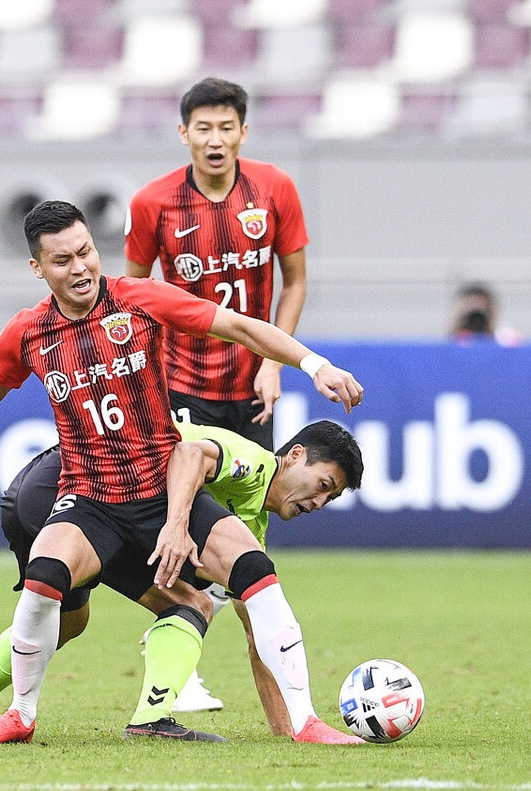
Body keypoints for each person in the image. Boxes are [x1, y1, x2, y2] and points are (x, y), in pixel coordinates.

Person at [0, 200, 364, 747]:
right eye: (63, 260)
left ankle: (307, 723)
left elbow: (238, 326)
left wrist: (316, 365)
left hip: (158, 487)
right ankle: (19, 717)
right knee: (43, 580)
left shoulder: (139, 300)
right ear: (38, 268)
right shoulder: (27, 333)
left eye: (86, 252)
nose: (80, 269)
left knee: (258, 574)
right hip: (88, 498)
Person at [0, 419, 363, 740]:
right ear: (297, 455)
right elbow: (189, 454)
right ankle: (150, 721)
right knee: (189, 605)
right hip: (67, 484)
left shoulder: (250, 527)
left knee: (71, 620)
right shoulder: (251, 463)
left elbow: (258, 632)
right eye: (323, 483)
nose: (321, 501)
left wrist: (284, 729)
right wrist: (175, 525)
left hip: (45, 490)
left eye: (332, 496)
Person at [124, 77, 310, 712]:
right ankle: (179, 656)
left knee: (241, 546)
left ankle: (276, 699)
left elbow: (296, 280)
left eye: (225, 127)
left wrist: (274, 357)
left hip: (251, 397)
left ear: (243, 133)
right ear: (184, 134)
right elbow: (131, 298)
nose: (214, 139)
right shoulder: (153, 204)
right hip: (181, 392)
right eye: (202, 127)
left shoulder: (276, 190)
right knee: (176, 527)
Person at [450, 282, 521, 345]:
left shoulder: (505, 340)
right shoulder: (450, 343)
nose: (476, 320)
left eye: (480, 315)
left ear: (492, 313)